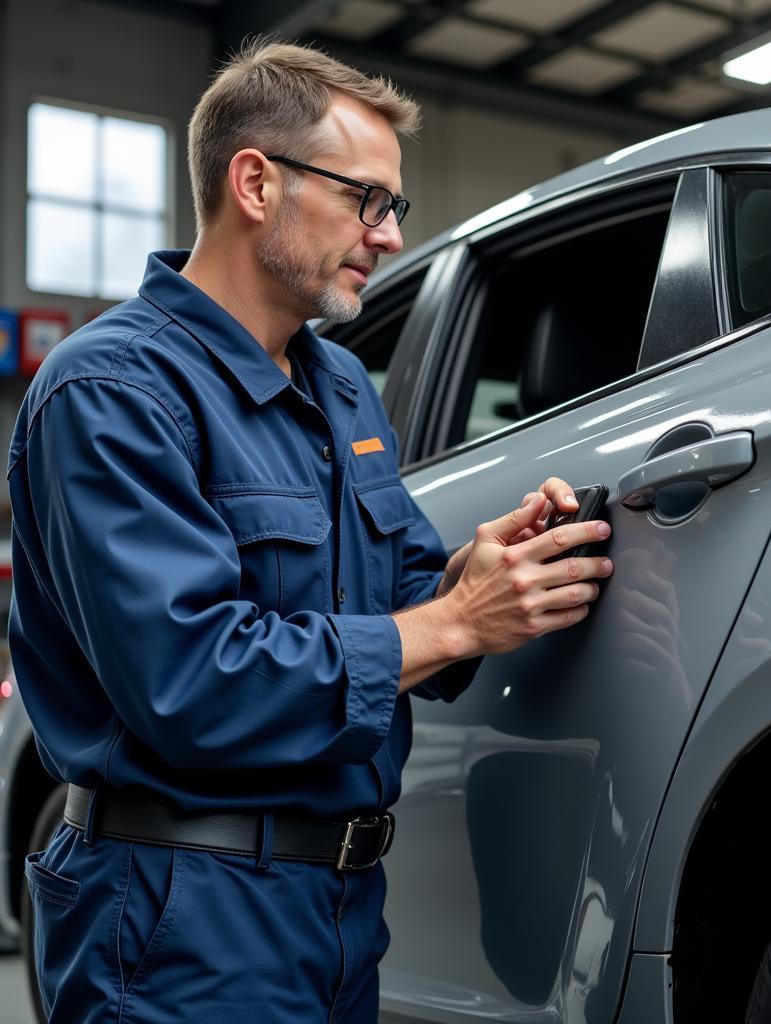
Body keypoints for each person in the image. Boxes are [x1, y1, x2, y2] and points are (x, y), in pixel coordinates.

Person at [7, 39, 613, 1024]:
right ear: (256, 182)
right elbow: (188, 680)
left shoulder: (334, 383)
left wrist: (487, 565)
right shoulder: (113, 389)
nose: (386, 234)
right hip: (181, 916)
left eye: (393, 208)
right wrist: (456, 622)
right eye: (366, 199)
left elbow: (406, 583)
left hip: (336, 910)